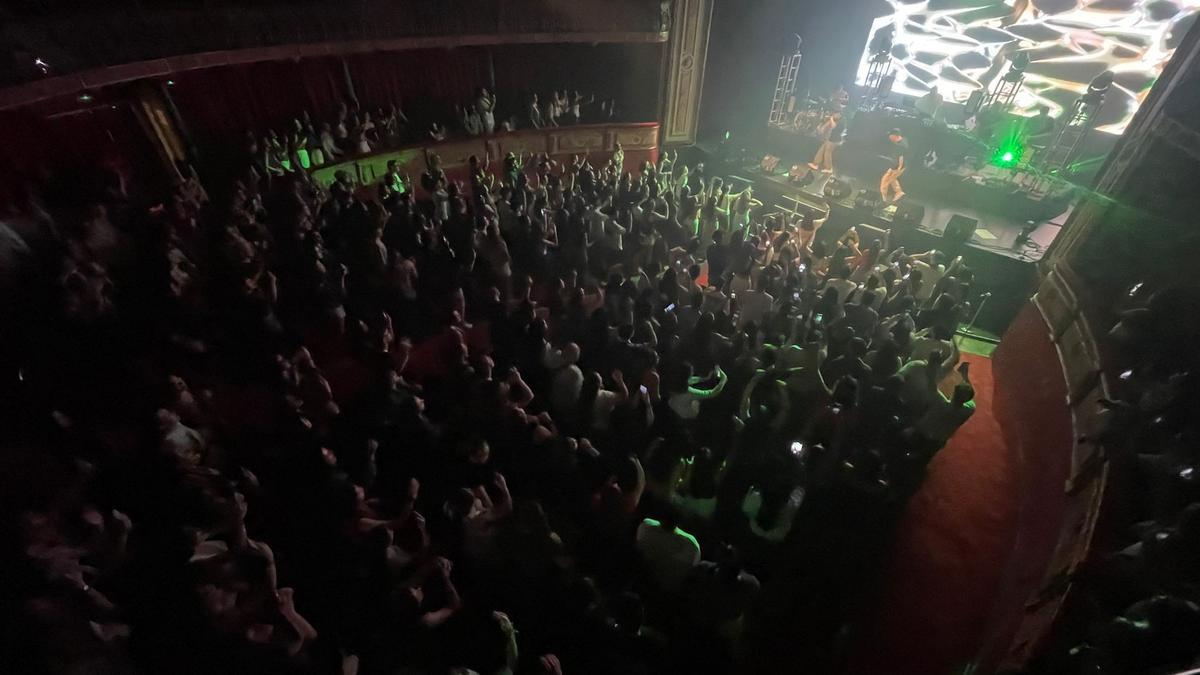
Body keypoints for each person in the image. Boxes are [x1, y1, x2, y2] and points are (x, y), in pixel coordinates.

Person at [881, 128, 907, 203]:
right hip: (898, 165)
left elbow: (901, 157)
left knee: (886, 179)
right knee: (892, 179)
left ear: (895, 136)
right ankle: (898, 192)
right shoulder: (903, 140)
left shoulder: (900, 146)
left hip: (897, 166)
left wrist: (899, 167)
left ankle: (884, 198)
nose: (889, 138)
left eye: (890, 136)